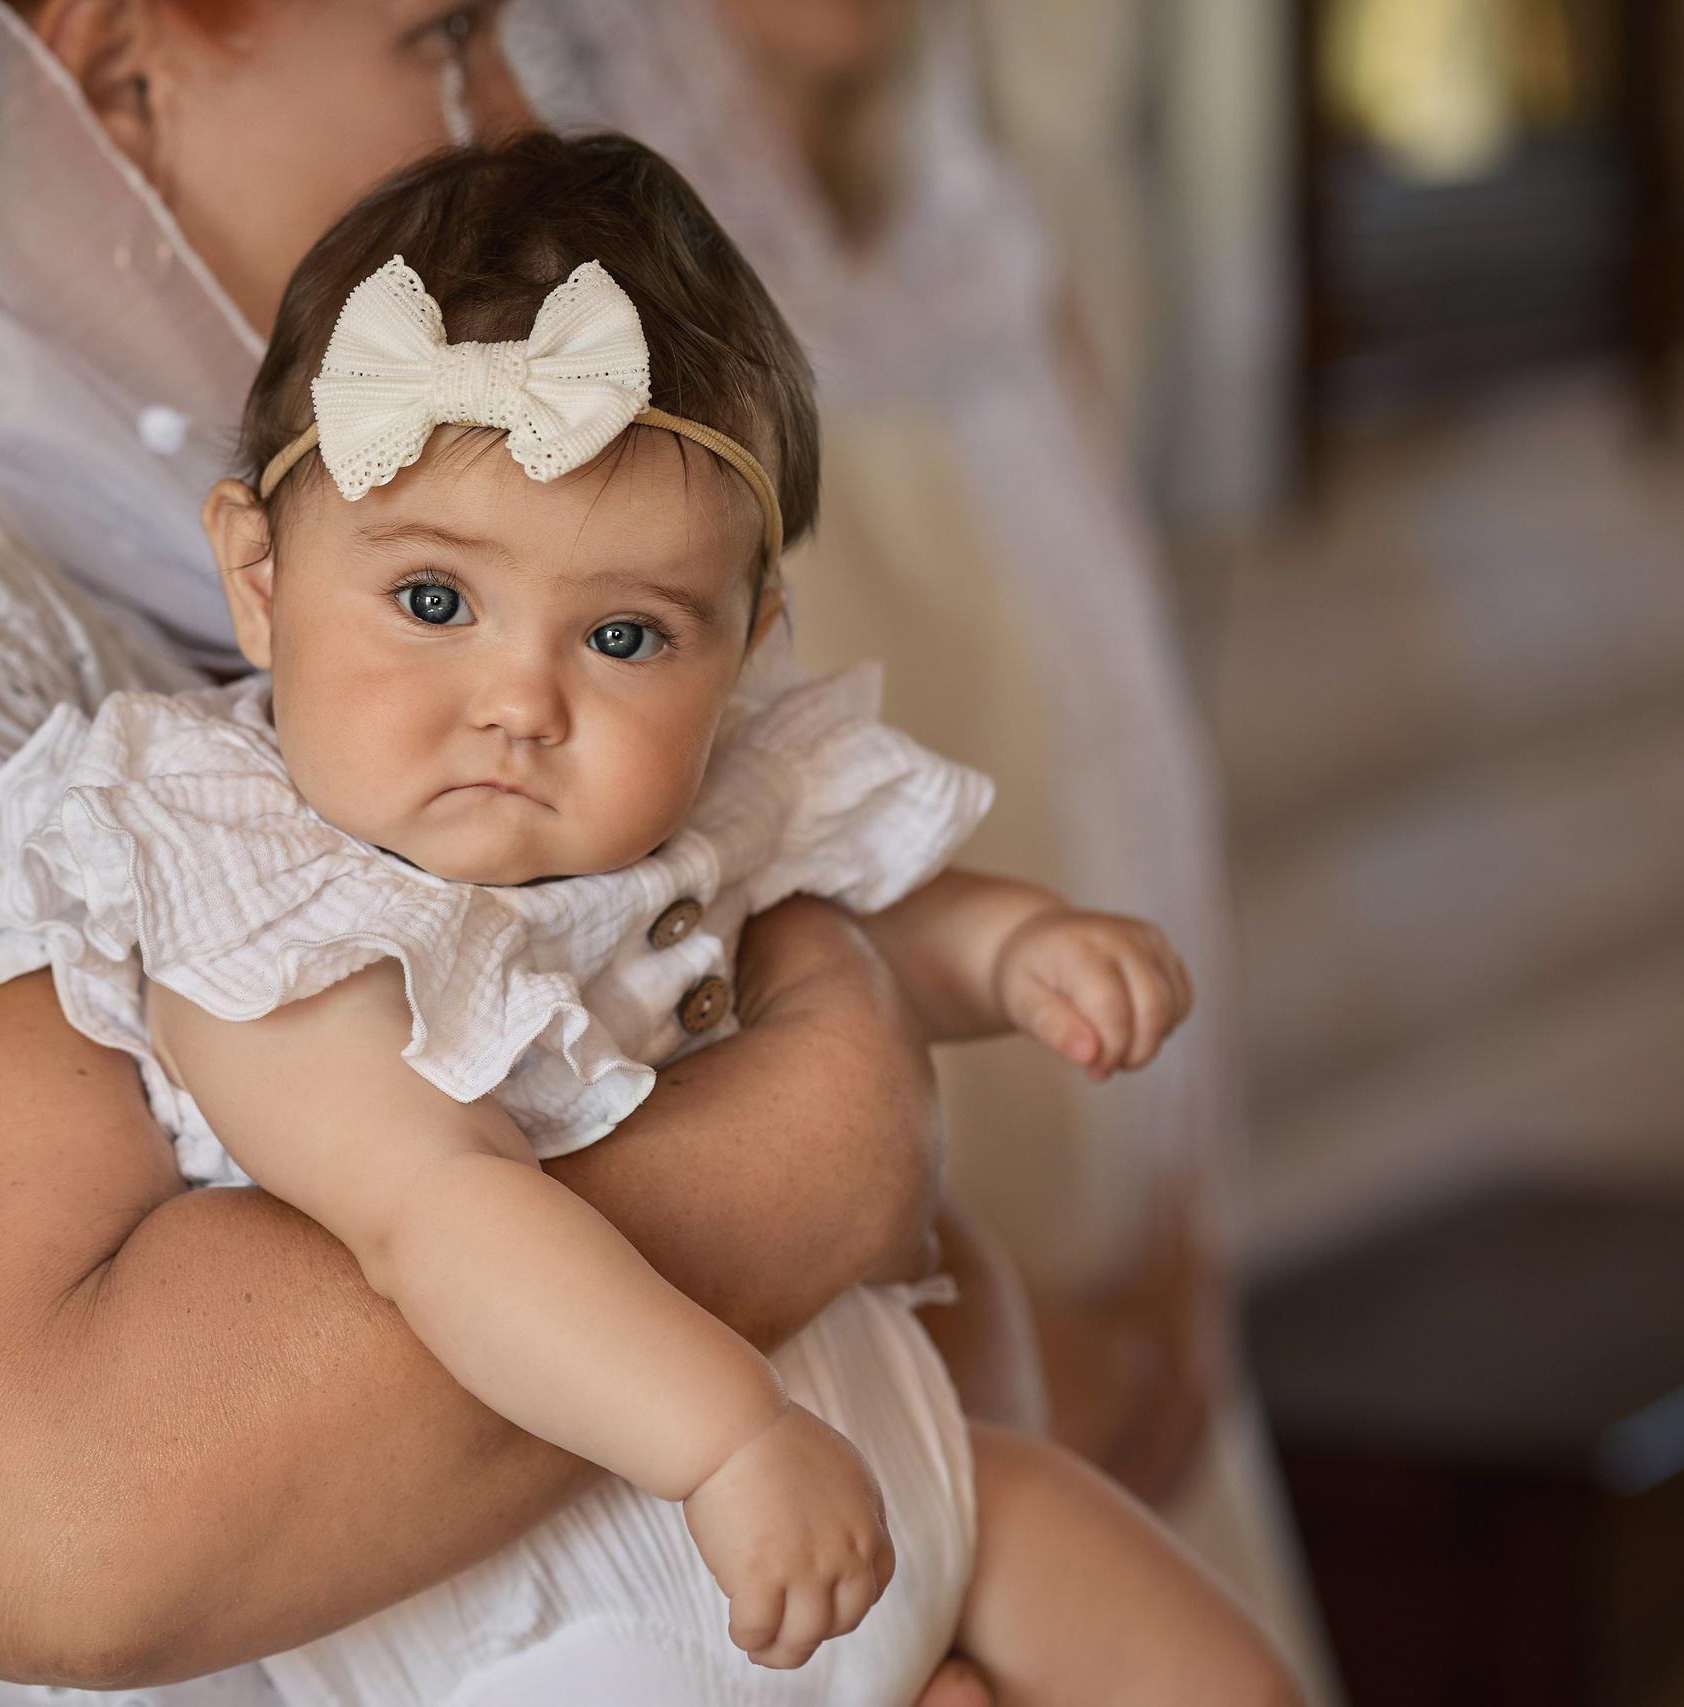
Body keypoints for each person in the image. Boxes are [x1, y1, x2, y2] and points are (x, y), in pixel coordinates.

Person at [0, 4, 1019, 1700]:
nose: (511, 106)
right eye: (445, 37)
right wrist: (828, 1122)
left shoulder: (406, 580)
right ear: (124, 69)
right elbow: (66, 1527)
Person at [0, 131, 1296, 1707]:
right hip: (573, 1613)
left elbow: (865, 921)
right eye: (434, 602)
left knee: (1193, 1649)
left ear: (744, 643)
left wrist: (1014, 952)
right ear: (258, 581)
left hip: (906, 1493)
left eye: (621, 634)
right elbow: (437, 1221)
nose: (522, 703)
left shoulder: (701, 802)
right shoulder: (259, 895)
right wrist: (725, 1436)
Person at [507, 0, 1340, 1692]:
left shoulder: (996, 244)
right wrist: (1001, 1334)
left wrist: (1186, 1235)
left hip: (1120, 1217)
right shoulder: (585, 286)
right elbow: (638, 885)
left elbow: (1136, 754)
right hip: (895, 1325)